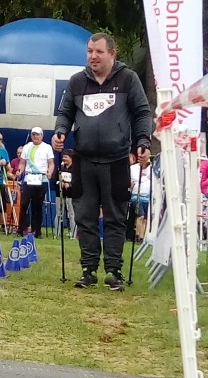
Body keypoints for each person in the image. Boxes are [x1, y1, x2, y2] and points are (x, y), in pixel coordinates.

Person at [52, 32, 152, 291]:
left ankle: (114, 271)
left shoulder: (128, 79)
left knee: (115, 218)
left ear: (112, 53)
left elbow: (142, 112)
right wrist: (60, 131)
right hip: (83, 160)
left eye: (98, 52)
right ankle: (88, 270)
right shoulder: (77, 82)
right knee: (84, 217)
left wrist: (143, 141)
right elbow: (65, 112)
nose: (93, 56)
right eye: (89, 51)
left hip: (117, 160)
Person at [17, 126, 54, 238]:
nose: (35, 136)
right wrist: (19, 171)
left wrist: (50, 172)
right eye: (33, 134)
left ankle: (37, 231)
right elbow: (22, 163)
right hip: (29, 178)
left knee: (37, 206)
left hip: (41, 178)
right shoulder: (27, 147)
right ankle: (21, 229)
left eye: (37, 134)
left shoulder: (47, 147)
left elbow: (51, 163)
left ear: (42, 136)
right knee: (24, 204)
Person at [129, 153, 151, 242]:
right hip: (136, 196)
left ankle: (140, 235)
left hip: (148, 196)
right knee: (140, 216)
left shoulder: (151, 168)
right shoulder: (133, 168)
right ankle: (140, 236)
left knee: (145, 218)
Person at [58, 150, 76, 238]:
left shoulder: (75, 168)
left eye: (66, 157)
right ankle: (57, 234)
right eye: (63, 156)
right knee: (59, 213)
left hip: (71, 194)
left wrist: (69, 184)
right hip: (61, 194)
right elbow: (55, 178)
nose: (64, 158)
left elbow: (77, 180)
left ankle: (73, 234)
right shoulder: (61, 167)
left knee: (71, 214)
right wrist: (60, 182)